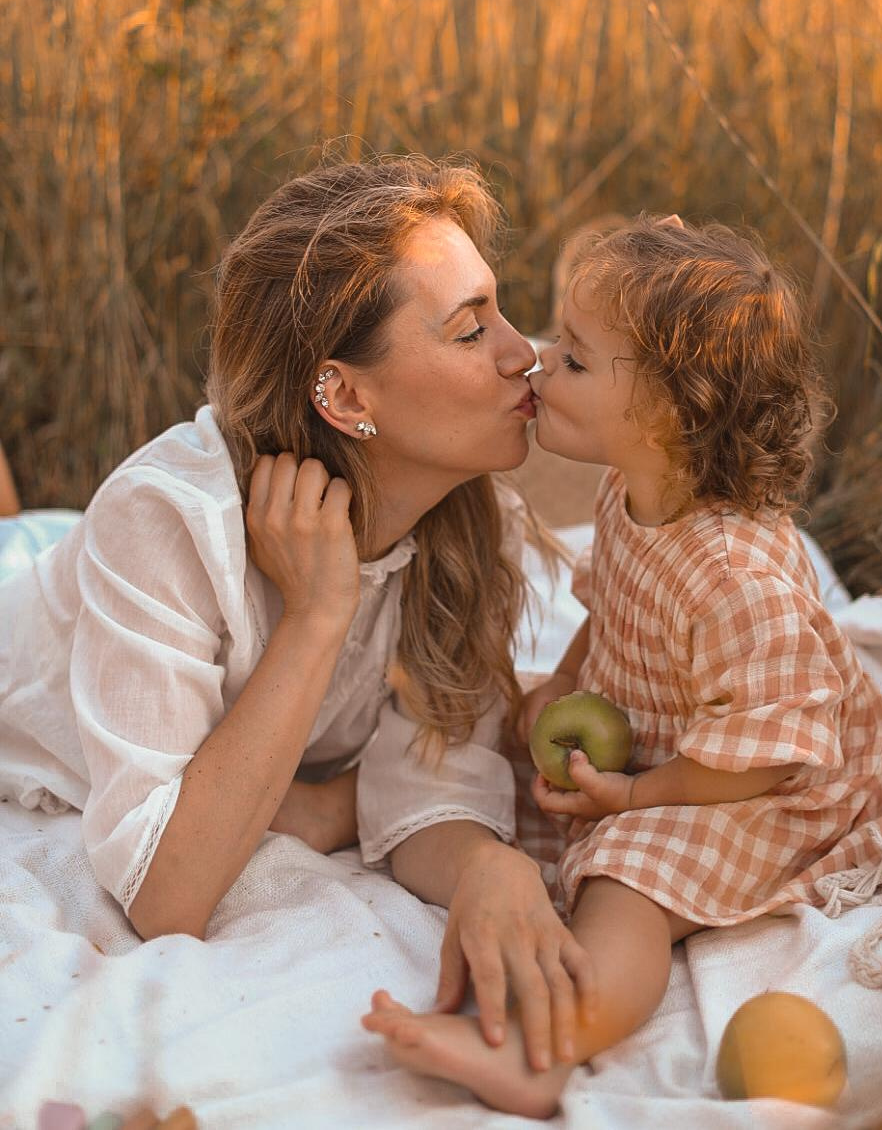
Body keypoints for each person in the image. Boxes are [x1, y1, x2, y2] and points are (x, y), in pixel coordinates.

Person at [0, 155, 596, 1075]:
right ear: (347, 395)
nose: (526, 352)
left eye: (502, 311)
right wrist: (318, 616)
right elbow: (170, 893)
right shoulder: (167, 524)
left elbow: (430, 777)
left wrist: (489, 865)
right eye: (472, 330)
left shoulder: (477, 522)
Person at [363, 214, 882, 1118]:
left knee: (625, 883)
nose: (540, 361)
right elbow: (608, 608)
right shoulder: (628, 489)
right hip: (676, 736)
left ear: (672, 413)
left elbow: (770, 752)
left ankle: (553, 1046)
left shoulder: (736, 578)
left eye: (576, 359)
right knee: (484, 771)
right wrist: (564, 684)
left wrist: (638, 798)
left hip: (756, 786)